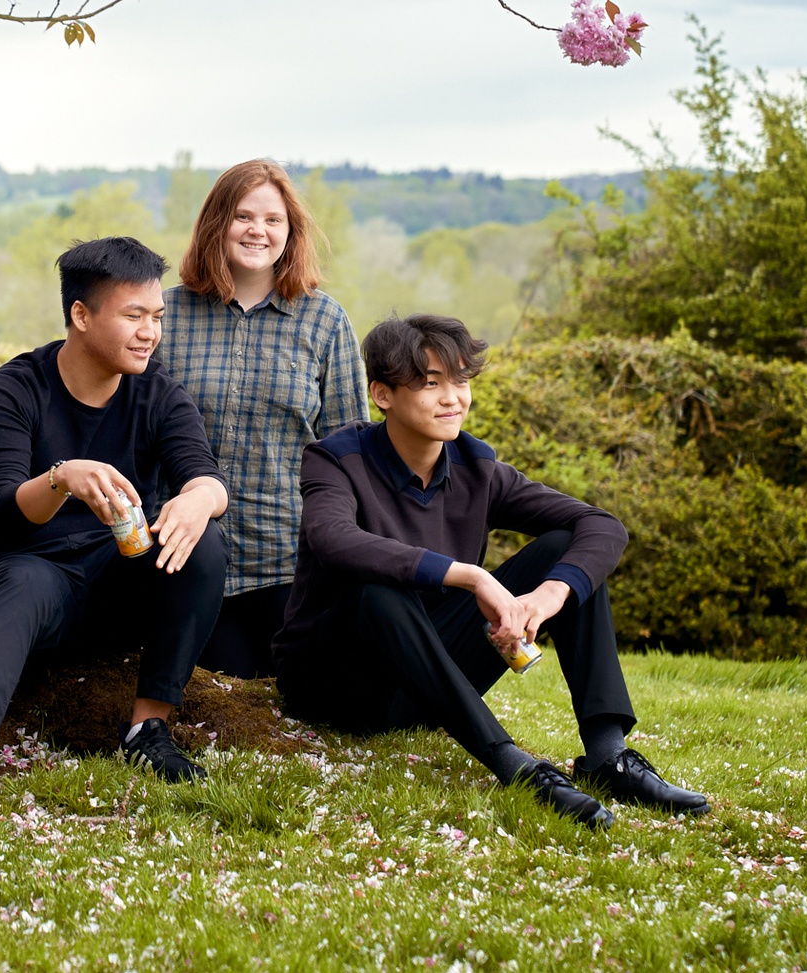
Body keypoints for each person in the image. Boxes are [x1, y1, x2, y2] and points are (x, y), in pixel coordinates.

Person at [272, 313, 709, 828]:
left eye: (460, 381)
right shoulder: (336, 460)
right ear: (383, 394)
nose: (453, 397)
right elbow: (334, 540)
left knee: (567, 548)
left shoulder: (477, 468)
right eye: (431, 384)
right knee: (375, 587)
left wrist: (550, 595)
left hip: (429, 684)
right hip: (339, 683)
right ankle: (510, 762)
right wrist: (472, 576)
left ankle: (609, 754)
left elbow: (602, 525)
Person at [0, 237, 230, 829]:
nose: (150, 332)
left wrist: (198, 501)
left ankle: (149, 728)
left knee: (204, 540)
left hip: (116, 578)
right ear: (81, 314)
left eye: (157, 318)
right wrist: (61, 476)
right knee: (21, 581)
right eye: (133, 316)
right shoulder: (15, 389)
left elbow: (207, 479)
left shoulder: (158, 392)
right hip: (30, 576)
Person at [157, 160, 368, 679]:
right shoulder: (166, 315)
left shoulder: (325, 321)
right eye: (243, 216)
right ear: (216, 224)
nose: (259, 231)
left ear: (290, 232)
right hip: (184, 555)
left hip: (287, 561)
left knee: (282, 698)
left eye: (273, 220)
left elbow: (350, 455)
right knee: (217, 695)